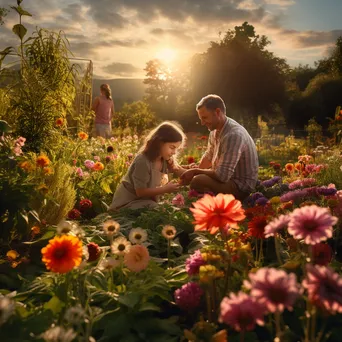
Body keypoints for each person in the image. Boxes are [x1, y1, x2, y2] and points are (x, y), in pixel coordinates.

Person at [180, 94, 259, 201]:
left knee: (198, 181)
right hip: (226, 180)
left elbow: (222, 176)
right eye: (201, 118)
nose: (202, 123)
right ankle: (205, 197)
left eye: (205, 117)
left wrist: (195, 172)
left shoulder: (233, 135)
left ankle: (209, 203)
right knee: (195, 178)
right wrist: (194, 171)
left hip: (240, 186)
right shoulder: (215, 130)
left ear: (217, 112)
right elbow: (209, 155)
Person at [109, 121, 187, 211]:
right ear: (160, 143)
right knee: (162, 210)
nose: (174, 152)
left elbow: (179, 171)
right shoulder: (143, 161)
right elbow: (140, 192)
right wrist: (164, 189)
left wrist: (196, 172)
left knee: (169, 209)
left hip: (146, 201)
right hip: (128, 202)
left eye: (176, 148)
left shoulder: (164, 159)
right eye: (172, 147)